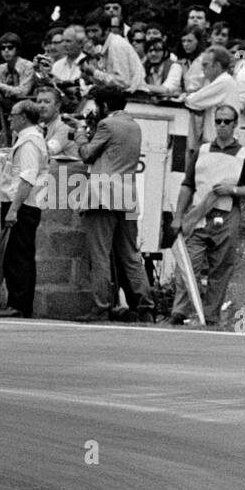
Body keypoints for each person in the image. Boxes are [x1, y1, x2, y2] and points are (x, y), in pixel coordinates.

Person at [168, 104, 245, 325]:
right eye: (218, 121)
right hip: (199, 214)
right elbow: (188, 185)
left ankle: (210, 316)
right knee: (189, 263)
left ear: (235, 125)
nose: (221, 126)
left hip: (227, 214)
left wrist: (233, 190)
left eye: (226, 122)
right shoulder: (202, 151)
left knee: (221, 268)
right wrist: (179, 216)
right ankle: (179, 311)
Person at [73, 88, 153, 321]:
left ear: (105, 106)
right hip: (127, 197)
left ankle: (101, 306)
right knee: (130, 254)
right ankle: (146, 306)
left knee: (99, 255)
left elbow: (87, 153)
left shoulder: (107, 125)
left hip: (103, 197)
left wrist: (80, 133)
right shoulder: (134, 126)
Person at [0, 100, 48, 318]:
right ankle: (16, 303)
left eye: (12, 114)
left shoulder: (29, 142)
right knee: (16, 254)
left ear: (24, 117)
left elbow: (26, 178)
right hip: (23, 203)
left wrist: (14, 209)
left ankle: (19, 304)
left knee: (19, 256)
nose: (9, 118)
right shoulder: (28, 139)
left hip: (22, 204)